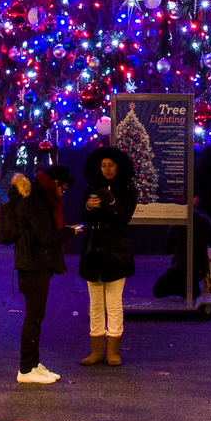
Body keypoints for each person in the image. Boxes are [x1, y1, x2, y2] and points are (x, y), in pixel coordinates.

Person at [0, 161, 69, 385]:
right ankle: (27, 369)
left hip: (29, 262)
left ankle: (32, 364)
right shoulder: (37, 199)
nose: (62, 193)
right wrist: (69, 233)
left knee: (34, 316)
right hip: (34, 264)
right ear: (55, 182)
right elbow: (46, 238)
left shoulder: (31, 194)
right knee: (33, 317)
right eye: (63, 188)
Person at [77, 143, 139, 367]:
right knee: (95, 303)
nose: (107, 169)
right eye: (103, 165)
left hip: (115, 249)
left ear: (119, 166)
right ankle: (96, 352)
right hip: (93, 249)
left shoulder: (128, 190)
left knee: (113, 303)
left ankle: (113, 351)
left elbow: (124, 218)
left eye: (111, 165)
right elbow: (84, 217)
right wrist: (89, 206)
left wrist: (111, 203)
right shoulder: (92, 188)